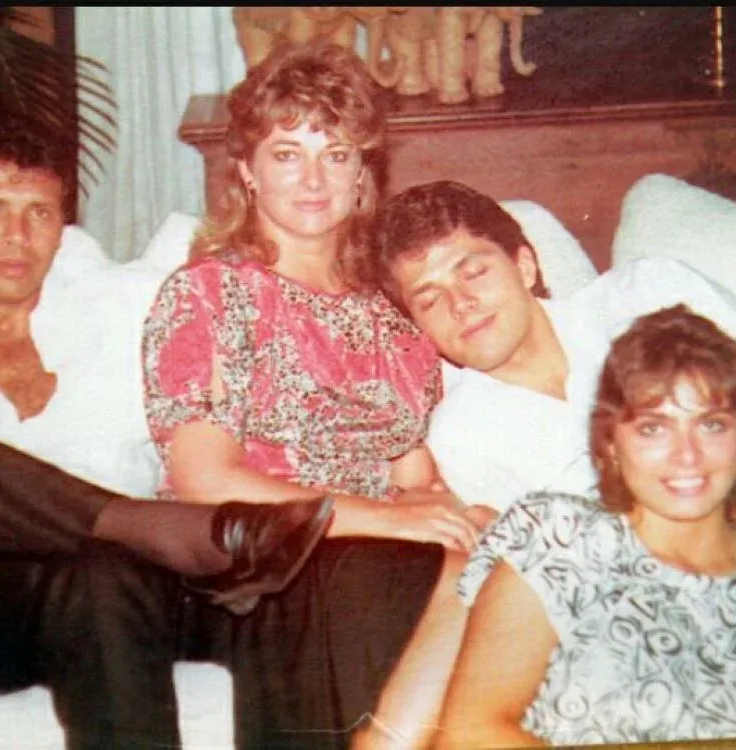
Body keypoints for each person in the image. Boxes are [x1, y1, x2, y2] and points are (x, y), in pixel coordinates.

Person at [0, 112, 335, 749]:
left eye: (39, 213)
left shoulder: (117, 310)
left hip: (97, 599)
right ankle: (154, 527)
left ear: (62, 229)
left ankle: (140, 534)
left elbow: (259, 279)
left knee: (104, 568)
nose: (16, 236)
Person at [142, 41, 494, 750]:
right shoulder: (209, 294)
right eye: (286, 154)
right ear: (247, 170)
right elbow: (204, 480)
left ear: (363, 173)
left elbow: (413, 474)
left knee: (495, 571)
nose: (312, 180)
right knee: (422, 579)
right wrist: (387, 521)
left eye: (335, 155)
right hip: (251, 565)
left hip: (370, 555)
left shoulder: (391, 311)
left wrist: (458, 513)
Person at [436, 304, 736, 746]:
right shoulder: (560, 542)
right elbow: (470, 734)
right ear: (611, 444)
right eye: (653, 429)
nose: (687, 456)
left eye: (711, 425)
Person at [372, 179, 736, 521]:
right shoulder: (462, 438)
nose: (461, 304)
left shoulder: (647, 294)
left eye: (475, 273)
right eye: (430, 300)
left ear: (525, 267)